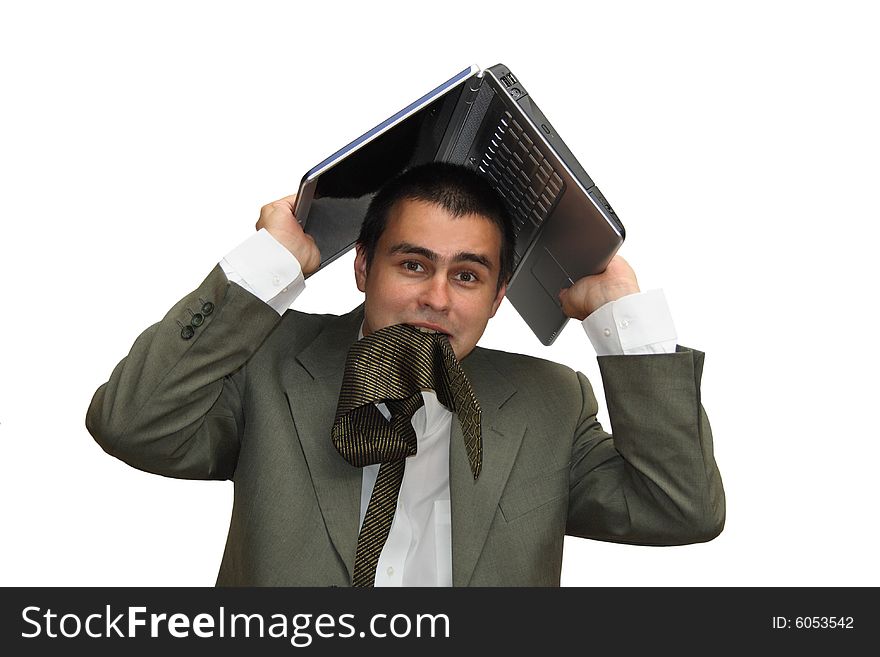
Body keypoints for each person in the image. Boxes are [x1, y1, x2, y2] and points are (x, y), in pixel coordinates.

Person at [86, 162, 724, 586]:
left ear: (499, 295)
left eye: (468, 276)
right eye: (414, 265)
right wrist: (270, 264)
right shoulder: (270, 359)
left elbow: (679, 511)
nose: (438, 299)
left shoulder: (550, 402)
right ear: (363, 268)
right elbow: (134, 425)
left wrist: (626, 321)